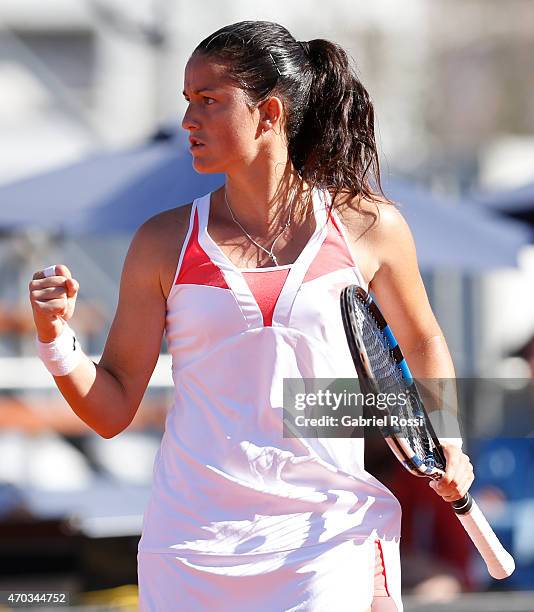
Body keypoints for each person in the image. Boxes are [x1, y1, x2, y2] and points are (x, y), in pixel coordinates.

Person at [28, 21, 474, 612]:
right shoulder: (162, 242)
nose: (189, 121)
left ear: (268, 113)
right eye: (187, 102)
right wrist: (56, 341)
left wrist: (447, 438)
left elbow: (420, 339)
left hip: (328, 539)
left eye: (208, 101)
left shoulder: (370, 226)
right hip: (190, 547)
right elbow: (111, 410)